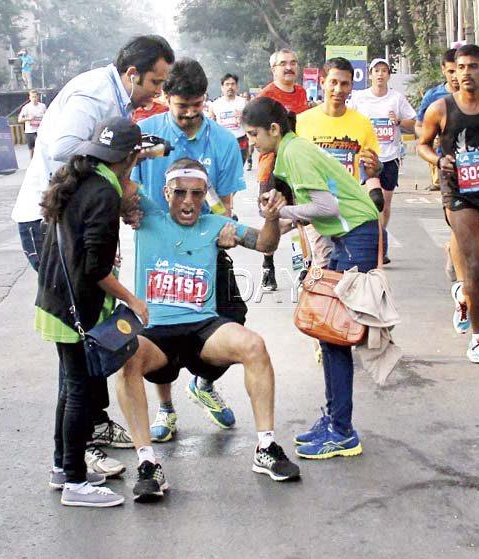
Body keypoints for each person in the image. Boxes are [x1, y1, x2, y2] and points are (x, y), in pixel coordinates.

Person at [11, 35, 174, 466]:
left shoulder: (117, 99)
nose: (157, 92)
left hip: (73, 219)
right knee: (79, 338)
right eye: (155, 82)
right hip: (48, 222)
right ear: (132, 74)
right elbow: (62, 148)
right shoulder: (95, 94)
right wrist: (114, 180)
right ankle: (76, 455)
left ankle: (89, 429)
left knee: (91, 331)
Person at [117, 157, 300, 501]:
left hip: (203, 326)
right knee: (126, 358)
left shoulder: (217, 224)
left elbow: (265, 244)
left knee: (254, 346)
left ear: (205, 195)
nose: (188, 201)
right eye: (180, 193)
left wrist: (273, 217)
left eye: (196, 194)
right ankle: (147, 463)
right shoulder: (148, 215)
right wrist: (135, 158)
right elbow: (117, 178)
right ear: (165, 191)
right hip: (157, 332)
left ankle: (266, 446)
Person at [242, 96, 383, 460]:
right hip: (349, 236)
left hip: (356, 237)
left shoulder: (294, 152)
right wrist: (280, 222)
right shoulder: (290, 151)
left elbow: (327, 207)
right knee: (328, 333)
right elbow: (317, 209)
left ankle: (342, 430)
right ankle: (336, 421)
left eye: (254, 134)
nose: (252, 142)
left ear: (274, 129)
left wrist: (281, 210)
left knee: (334, 334)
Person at [36, 117, 149, 507]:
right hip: (75, 310)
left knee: (70, 389)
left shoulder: (82, 178)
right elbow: (96, 268)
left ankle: (61, 468)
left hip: (53, 302)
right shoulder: (102, 191)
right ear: (131, 158)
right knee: (80, 393)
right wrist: (133, 300)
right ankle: (76, 483)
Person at [133, 58, 246, 442]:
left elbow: (225, 204)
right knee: (157, 332)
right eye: (183, 107)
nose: (192, 114)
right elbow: (125, 191)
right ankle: (165, 409)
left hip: (205, 251)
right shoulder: (144, 136)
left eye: (198, 105)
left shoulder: (223, 141)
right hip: (156, 255)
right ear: (166, 97)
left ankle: (204, 381)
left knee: (233, 318)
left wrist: (224, 229)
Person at [417, 44, 479, 364]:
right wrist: (438, 160)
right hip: (458, 193)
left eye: (473, 66)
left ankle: (463, 294)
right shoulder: (441, 108)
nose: (466, 73)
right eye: (461, 67)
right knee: (474, 265)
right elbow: (422, 144)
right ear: (454, 73)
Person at [296, 57, 382, 268]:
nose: (338, 89)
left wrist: (374, 169)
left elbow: (372, 169)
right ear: (322, 82)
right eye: (333, 82)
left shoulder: (362, 124)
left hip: (349, 210)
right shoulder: (302, 122)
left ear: (352, 86)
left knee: (348, 272)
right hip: (316, 209)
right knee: (323, 265)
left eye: (344, 83)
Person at [256, 48, 309, 291]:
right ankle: (268, 265)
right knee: (272, 215)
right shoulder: (266, 97)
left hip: (298, 164)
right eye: (283, 64)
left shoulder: (301, 93)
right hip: (273, 167)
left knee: (301, 216)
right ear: (273, 69)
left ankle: (301, 269)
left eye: (293, 63)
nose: (289, 67)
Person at [351, 58, 416, 239]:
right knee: (373, 199)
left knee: (385, 205)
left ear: (388, 75)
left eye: (384, 71)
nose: (380, 74)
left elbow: (413, 123)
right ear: (370, 75)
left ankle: (380, 239)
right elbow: (347, 119)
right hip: (367, 157)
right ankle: (369, 239)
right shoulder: (359, 98)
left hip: (390, 157)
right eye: (376, 71)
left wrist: (399, 121)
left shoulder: (397, 98)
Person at [415, 49, 460, 192]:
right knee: (454, 209)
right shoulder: (433, 96)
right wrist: (431, 137)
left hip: (474, 161)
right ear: (443, 69)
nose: (455, 76)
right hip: (446, 162)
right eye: (451, 71)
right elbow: (419, 125)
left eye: (459, 70)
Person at [209, 73, 249, 165]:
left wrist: (243, 117)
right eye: (227, 84)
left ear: (237, 87)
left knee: (238, 169)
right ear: (222, 87)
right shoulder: (215, 104)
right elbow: (211, 124)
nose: (230, 87)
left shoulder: (244, 103)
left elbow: (252, 121)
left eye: (232, 84)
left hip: (240, 141)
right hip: (222, 141)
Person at [17, 89, 47, 159]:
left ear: (38, 97)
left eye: (35, 97)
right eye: (32, 97)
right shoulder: (26, 107)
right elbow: (19, 120)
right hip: (30, 131)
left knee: (41, 148)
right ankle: (32, 164)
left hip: (40, 130)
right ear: (29, 97)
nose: (34, 99)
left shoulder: (43, 106)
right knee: (32, 149)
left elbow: (47, 117)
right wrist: (29, 119)